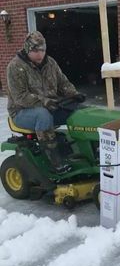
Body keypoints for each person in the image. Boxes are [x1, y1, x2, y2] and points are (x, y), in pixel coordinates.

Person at [7, 31, 85, 174]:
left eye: (42, 50)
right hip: (21, 112)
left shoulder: (50, 63)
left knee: (80, 111)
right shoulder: (15, 67)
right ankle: (55, 161)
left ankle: (84, 153)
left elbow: (63, 83)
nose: (40, 54)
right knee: (43, 115)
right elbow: (20, 96)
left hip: (50, 106)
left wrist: (74, 94)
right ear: (27, 48)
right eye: (35, 50)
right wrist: (44, 102)